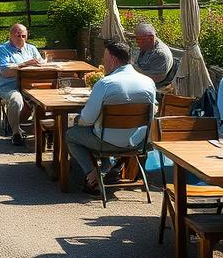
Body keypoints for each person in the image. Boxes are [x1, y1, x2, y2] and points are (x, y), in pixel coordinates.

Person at [66, 40, 156, 192]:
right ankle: (107, 166)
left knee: (71, 135)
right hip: (138, 142)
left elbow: (87, 119)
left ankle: (92, 174)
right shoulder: (148, 82)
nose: (103, 61)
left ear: (113, 60)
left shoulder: (105, 83)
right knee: (98, 132)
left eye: (104, 57)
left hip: (106, 142)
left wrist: (77, 120)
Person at [0, 23, 45, 146]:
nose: (21, 38)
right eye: (17, 35)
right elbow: (5, 72)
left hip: (30, 85)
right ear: (10, 36)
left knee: (47, 98)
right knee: (16, 100)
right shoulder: (2, 50)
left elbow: (41, 65)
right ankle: (16, 133)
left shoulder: (31, 48)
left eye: (23, 36)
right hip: (9, 86)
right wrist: (24, 65)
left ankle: (44, 131)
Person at [133, 22, 177, 89]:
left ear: (151, 38)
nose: (137, 42)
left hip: (155, 86)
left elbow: (156, 79)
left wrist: (131, 69)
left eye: (139, 39)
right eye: (136, 39)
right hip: (143, 79)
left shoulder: (159, 54)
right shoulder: (150, 44)